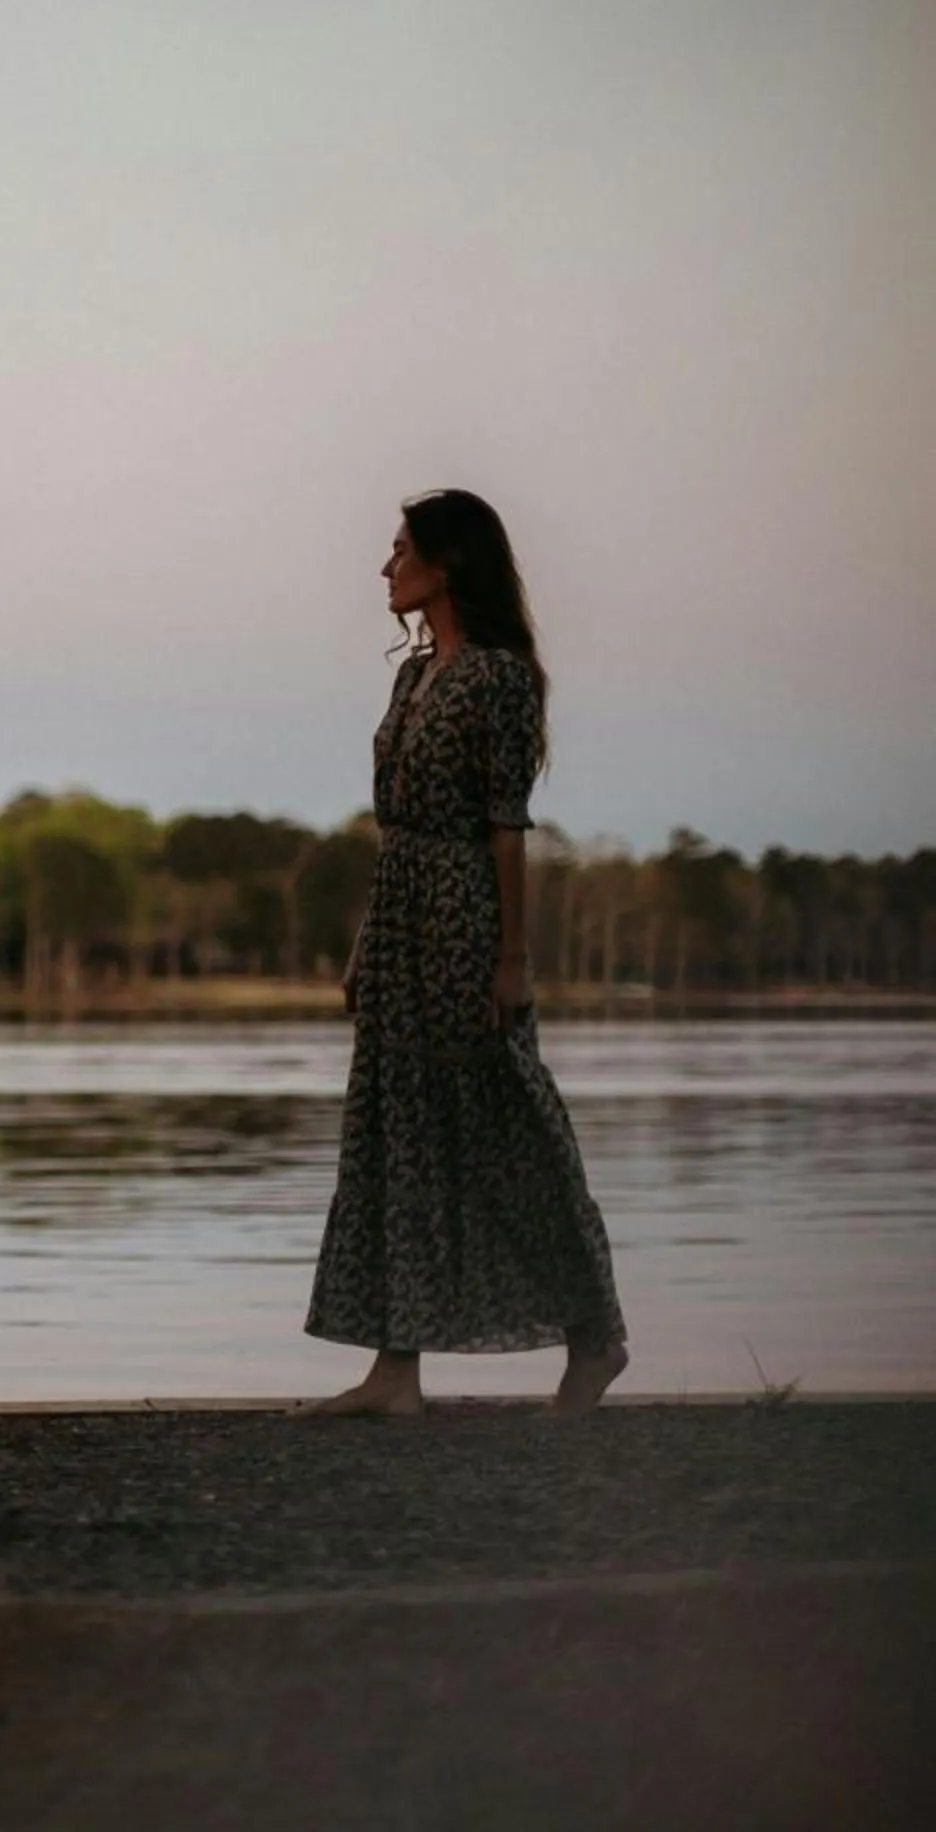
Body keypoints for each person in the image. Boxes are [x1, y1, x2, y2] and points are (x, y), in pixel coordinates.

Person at [303, 488, 629, 1417]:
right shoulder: (411, 678)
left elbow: (506, 829)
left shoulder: (500, 679)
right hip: (401, 915)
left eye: (400, 548)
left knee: (505, 1130)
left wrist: (511, 959)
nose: (384, 565)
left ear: (445, 566)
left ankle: (595, 1336)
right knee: (391, 1135)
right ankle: (394, 1373)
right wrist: (369, 941)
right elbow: (394, 824)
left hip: (463, 919)